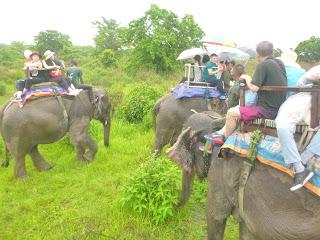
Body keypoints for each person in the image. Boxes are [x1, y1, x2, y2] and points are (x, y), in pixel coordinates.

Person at [207, 41, 287, 145]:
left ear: (257, 54)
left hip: (266, 110)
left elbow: (254, 88)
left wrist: (246, 77)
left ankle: (223, 139)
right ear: (271, 53)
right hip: (279, 107)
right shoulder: (279, 64)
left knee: (231, 113)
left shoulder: (263, 65)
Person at [275, 65, 320, 191]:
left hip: (308, 99)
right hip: (307, 98)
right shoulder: (313, 73)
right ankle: (300, 167)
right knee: (283, 125)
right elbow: (305, 80)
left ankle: (303, 160)